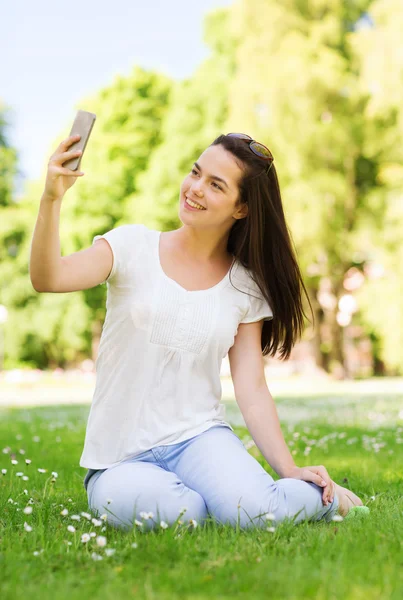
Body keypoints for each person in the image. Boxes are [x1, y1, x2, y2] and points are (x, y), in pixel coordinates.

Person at [30, 132, 366, 532]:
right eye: (196, 173)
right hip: (119, 458)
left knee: (257, 515)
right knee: (181, 515)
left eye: (215, 185)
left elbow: (252, 388)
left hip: (200, 439)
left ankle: (326, 501)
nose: (195, 189)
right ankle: (207, 496)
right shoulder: (131, 246)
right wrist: (52, 198)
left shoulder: (244, 285)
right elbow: (48, 278)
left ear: (241, 208)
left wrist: (289, 467)